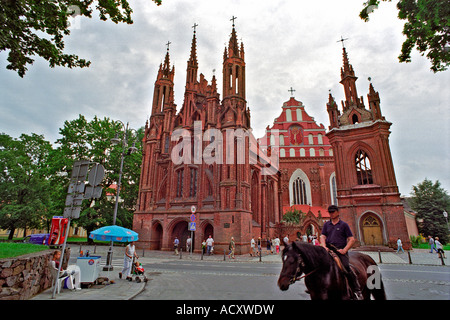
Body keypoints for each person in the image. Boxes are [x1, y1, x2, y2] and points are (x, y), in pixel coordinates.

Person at [320, 205, 363, 300]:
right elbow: (322, 236)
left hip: (340, 251)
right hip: (329, 250)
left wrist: (345, 250)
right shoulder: (326, 224)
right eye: (330, 212)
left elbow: (351, 239)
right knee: (319, 266)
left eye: (333, 212)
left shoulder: (344, 225)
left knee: (346, 267)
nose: (331, 214)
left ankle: (356, 290)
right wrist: (323, 246)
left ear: (338, 212)